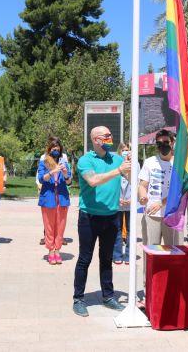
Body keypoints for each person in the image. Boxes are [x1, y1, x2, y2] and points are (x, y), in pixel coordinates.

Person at [72, 126, 131, 317]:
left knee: (106, 259)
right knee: (84, 258)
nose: (110, 137)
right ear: (96, 140)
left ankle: (108, 297)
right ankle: (79, 299)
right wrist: (118, 170)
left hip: (112, 216)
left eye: (110, 134)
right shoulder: (85, 160)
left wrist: (129, 169)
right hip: (89, 217)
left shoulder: (117, 159)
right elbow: (93, 180)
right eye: (106, 136)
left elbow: (130, 178)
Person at [138, 129, 182, 248]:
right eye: (159, 143)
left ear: (172, 143)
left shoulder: (179, 164)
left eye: (166, 142)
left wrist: (161, 203)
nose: (163, 145)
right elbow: (142, 185)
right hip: (152, 213)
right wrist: (142, 196)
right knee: (150, 251)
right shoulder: (149, 162)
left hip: (172, 214)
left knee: (174, 251)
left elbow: (179, 191)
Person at [37, 137, 71, 265]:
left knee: (60, 226)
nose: (55, 151)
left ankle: (58, 250)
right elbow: (41, 179)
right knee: (49, 226)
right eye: (53, 149)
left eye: (57, 149)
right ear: (49, 150)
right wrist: (52, 171)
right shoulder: (44, 162)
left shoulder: (64, 163)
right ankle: (51, 250)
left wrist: (66, 173)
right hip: (48, 198)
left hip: (62, 198)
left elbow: (69, 182)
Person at [114, 142, 133, 265]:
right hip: (117, 202)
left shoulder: (135, 164)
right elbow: (111, 183)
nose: (125, 152)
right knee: (117, 229)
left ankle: (128, 256)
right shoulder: (115, 164)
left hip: (130, 202)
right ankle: (117, 255)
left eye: (128, 150)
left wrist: (132, 199)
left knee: (131, 230)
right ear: (119, 151)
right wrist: (117, 198)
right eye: (123, 150)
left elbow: (137, 183)